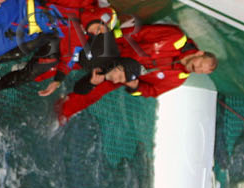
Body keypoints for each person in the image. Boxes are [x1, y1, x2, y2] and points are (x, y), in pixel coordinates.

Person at [57, 23, 218, 120]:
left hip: (118, 74)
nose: (196, 69)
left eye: (200, 71)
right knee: (66, 58)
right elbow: (138, 32)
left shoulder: (177, 79)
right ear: (199, 53)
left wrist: (135, 87)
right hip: (114, 51)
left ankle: (61, 113)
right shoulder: (175, 37)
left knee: (91, 95)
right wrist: (105, 39)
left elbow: (152, 91)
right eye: (199, 64)